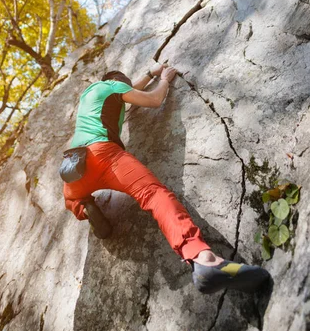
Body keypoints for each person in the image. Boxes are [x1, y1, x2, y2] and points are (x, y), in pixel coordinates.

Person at [63, 63, 269, 294]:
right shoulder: (113, 86)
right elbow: (153, 100)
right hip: (104, 155)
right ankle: (203, 259)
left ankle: (83, 206)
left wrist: (150, 73)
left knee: (72, 198)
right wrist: (164, 79)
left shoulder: (90, 95)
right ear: (117, 81)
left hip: (72, 165)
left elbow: (129, 89)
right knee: (153, 195)